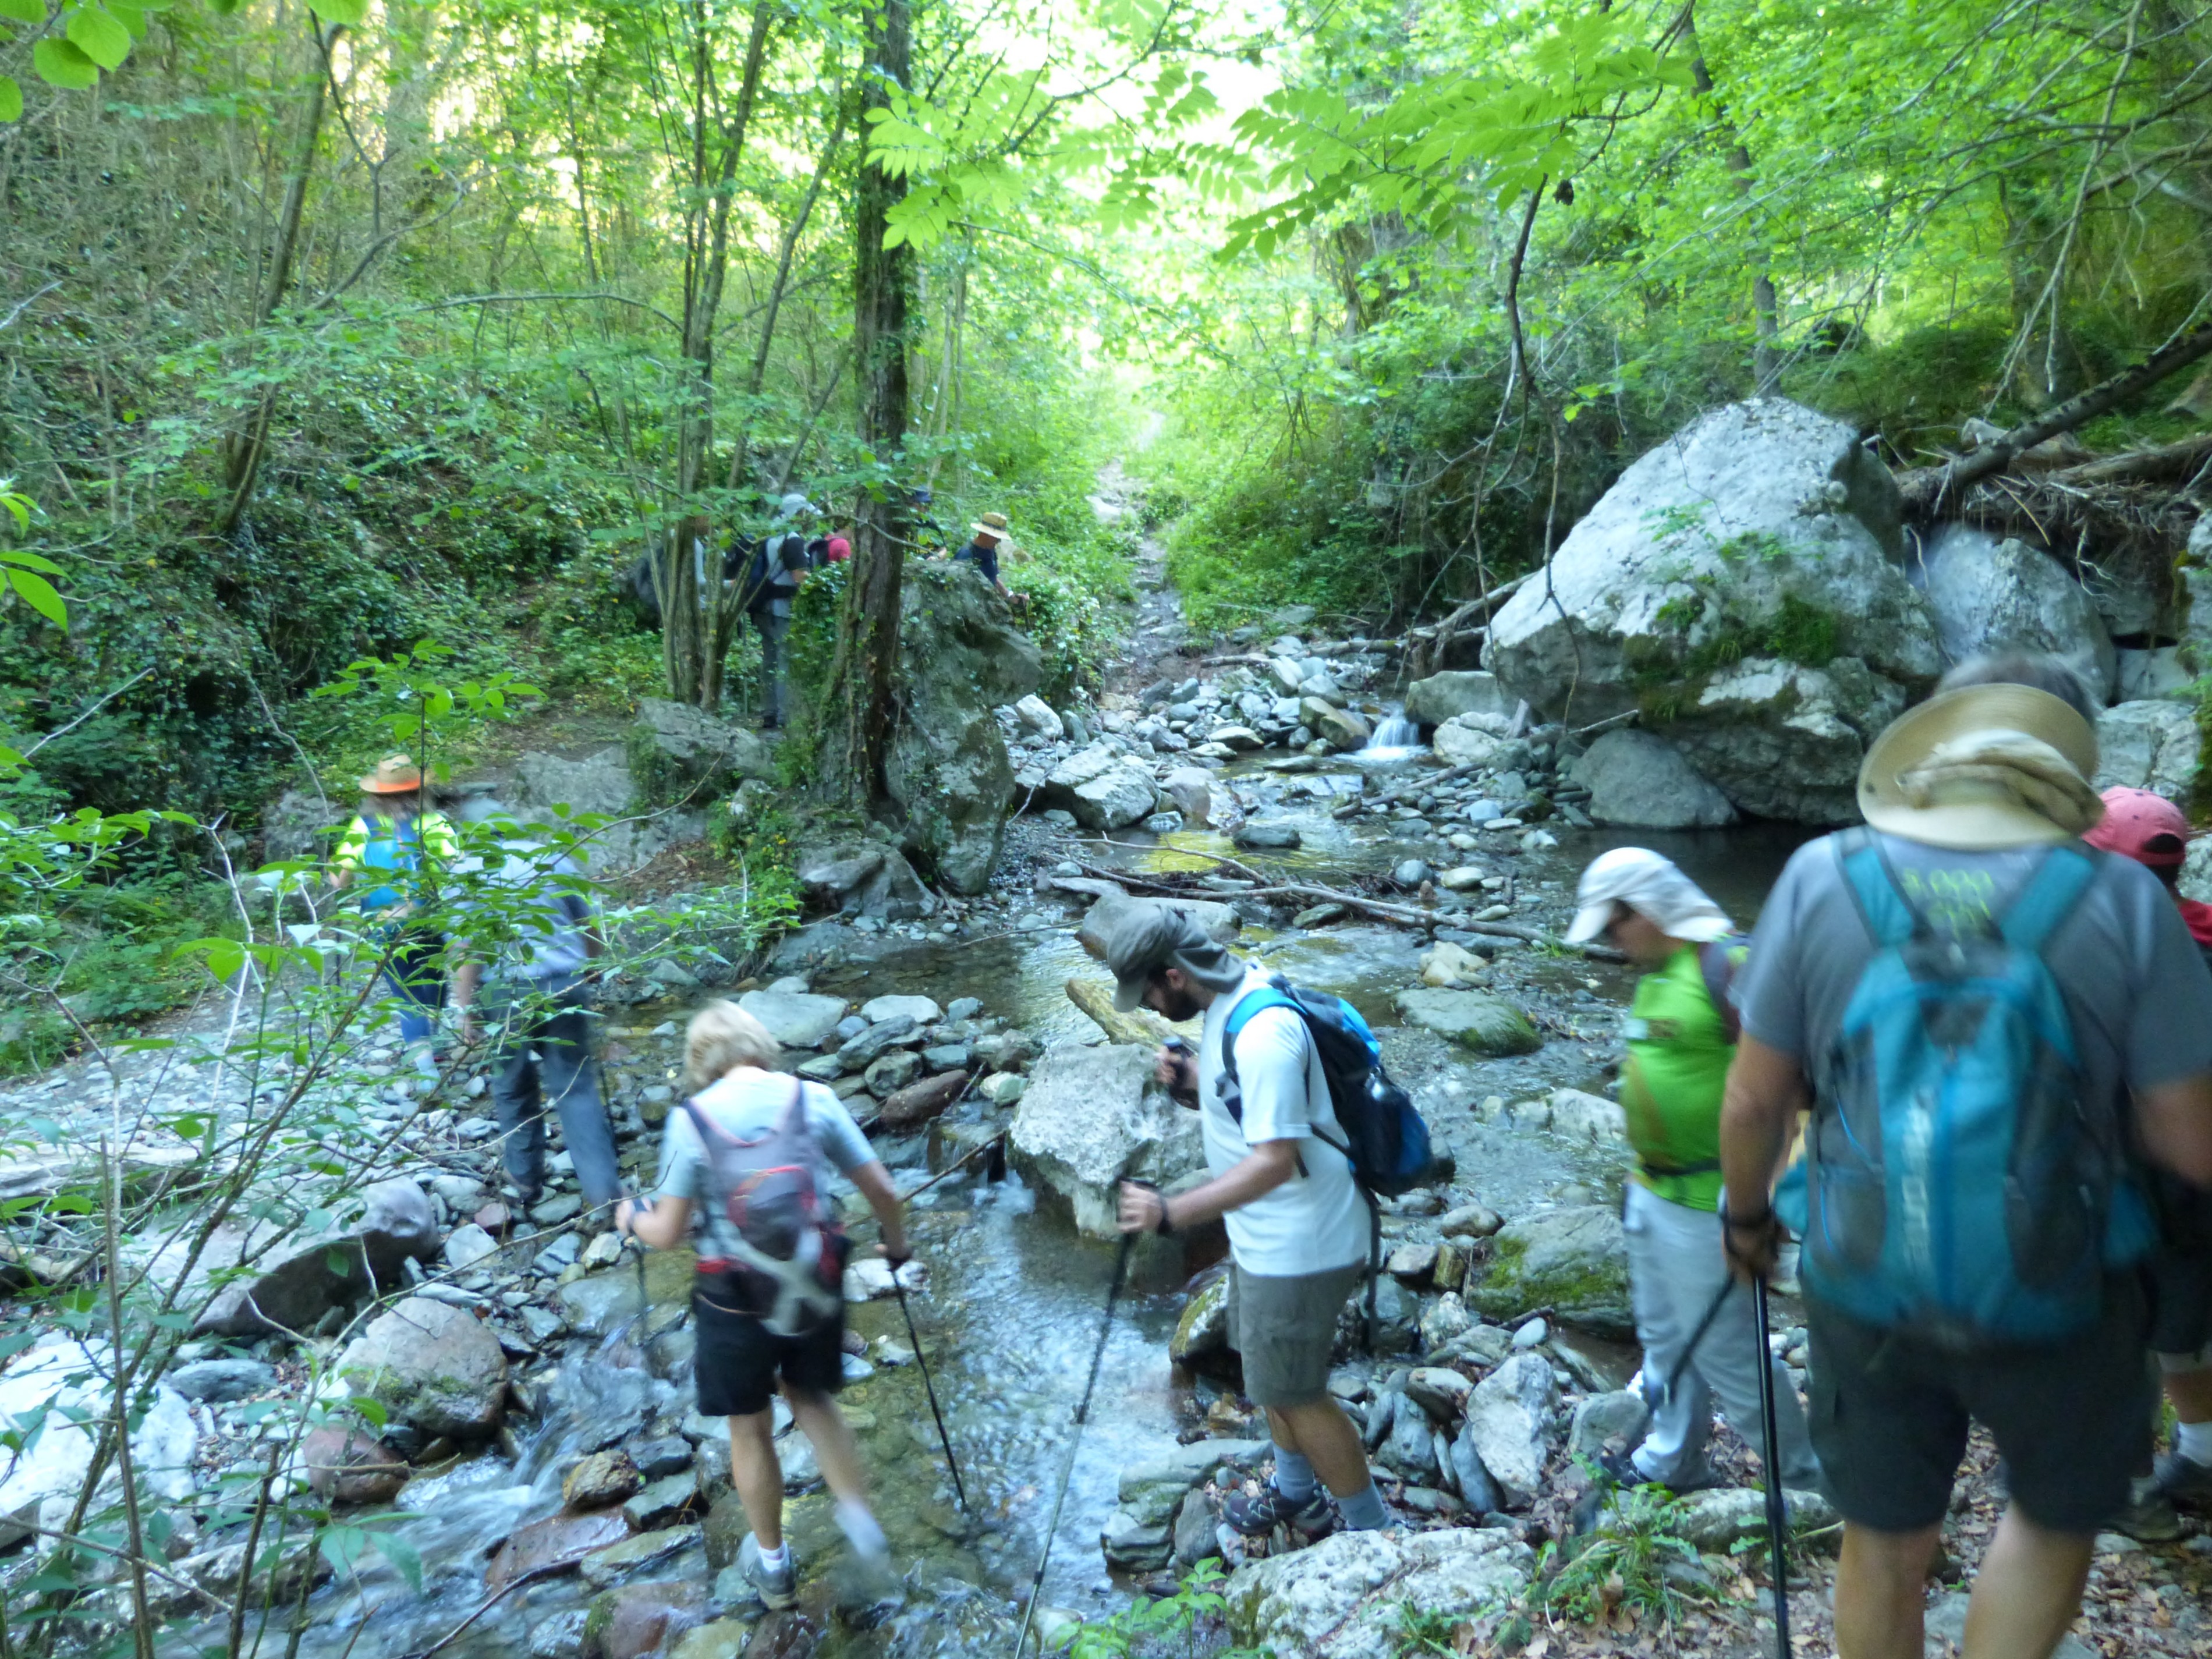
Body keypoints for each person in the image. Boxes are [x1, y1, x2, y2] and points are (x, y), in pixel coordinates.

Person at [1719, 654, 2212, 1659]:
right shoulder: (2126, 900)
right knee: (2051, 1514)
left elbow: (1753, 1100)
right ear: (2072, 762)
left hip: (1865, 1279)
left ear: (1933, 744)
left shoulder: (1822, 876)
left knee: (1884, 1534)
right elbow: (2188, 1140)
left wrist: (1746, 1222)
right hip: (2069, 1288)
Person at [1104, 902, 1394, 1543]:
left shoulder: (1262, 1034)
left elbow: (1273, 1161)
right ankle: (1297, 1493)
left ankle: (1375, 1535)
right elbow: (1247, 1102)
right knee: (1270, 1379)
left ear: (1174, 975)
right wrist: (1191, 1078)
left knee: (1297, 1393)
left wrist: (1169, 1212)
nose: (1149, 1007)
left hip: (1304, 1245)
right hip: (1268, 1238)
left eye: (1147, 993)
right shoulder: (1233, 999)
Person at [616, 1002, 909, 1608]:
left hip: (733, 1303)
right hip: (813, 1287)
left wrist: (630, 1217)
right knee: (813, 1399)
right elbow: (884, 1190)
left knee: (748, 1426)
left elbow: (667, 1233)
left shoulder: (691, 1120)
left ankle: (774, 1568)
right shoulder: (813, 1099)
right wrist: (896, 1246)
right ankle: (863, 1525)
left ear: (700, 1061)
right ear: (760, 1042)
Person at [1563, 848, 1820, 1493]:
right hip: (1653, 1189)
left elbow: (1792, 1089)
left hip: (1714, 1201)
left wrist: (1765, 1199)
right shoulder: (1658, 972)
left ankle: (1804, 1484)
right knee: (1663, 1337)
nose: (1612, 944)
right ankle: (1672, 1459)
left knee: (1731, 1356)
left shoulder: (1727, 965)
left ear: (1646, 910)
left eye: (1614, 926)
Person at [2080, 787, 2212, 1539]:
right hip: (2198, 1182)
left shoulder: (2103, 950)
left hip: (2130, 1175)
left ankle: (2129, 1493)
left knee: (2114, 1335)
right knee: (2187, 1321)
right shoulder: (2202, 932)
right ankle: (2201, 1455)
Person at [452, 839, 621, 1214]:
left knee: (512, 1085)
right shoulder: (552, 858)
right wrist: (593, 964)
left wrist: (466, 1010)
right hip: (564, 984)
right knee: (576, 1087)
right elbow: (586, 920)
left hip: (503, 992)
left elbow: (467, 948)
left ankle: (524, 1178)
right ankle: (604, 1192)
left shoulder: (468, 871)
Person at [329, 753, 458, 1081]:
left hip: (382, 922)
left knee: (406, 994)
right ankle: (435, 1042)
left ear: (376, 794)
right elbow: (455, 865)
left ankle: (427, 1074)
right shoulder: (432, 822)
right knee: (435, 978)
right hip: (429, 917)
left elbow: (339, 879)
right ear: (420, 791)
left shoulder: (363, 826)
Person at [747, 493, 816, 731]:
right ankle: (785, 715)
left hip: (762, 606)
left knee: (770, 660)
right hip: (782, 609)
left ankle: (769, 712)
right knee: (785, 661)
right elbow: (800, 576)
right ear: (797, 513)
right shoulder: (792, 539)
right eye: (805, 513)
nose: (807, 519)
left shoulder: (769, 535)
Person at [952, 510, 1013, 602]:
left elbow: (993, 578)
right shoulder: (965, 555)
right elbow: (958, 588)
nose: (998, 541)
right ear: (985, 534)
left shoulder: (990, 549)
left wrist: (1009, 595)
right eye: (996, 537)